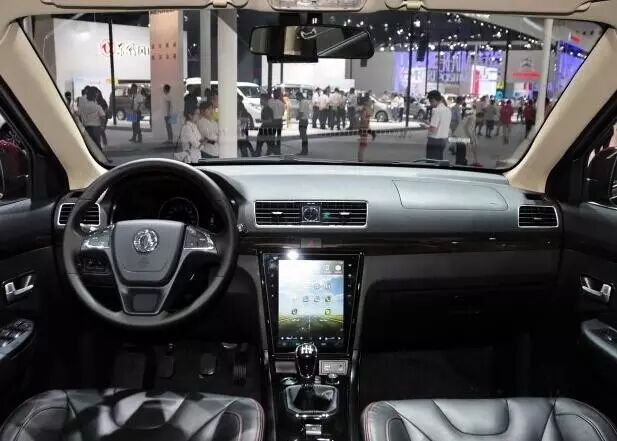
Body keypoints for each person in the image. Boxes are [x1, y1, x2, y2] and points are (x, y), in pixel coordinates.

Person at [425, 90, 451, 160]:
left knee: (432, 162)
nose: (431, 104)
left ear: (433, 100)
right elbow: (442, 124)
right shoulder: (448, 110)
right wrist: (430, 124)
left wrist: (425, 126)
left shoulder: (437, 110)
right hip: (443, 140)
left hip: (434, 140)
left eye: (430, 102)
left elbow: (433, 130)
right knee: (439, 161)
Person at [269, 88, 285, 155]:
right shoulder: (282, 103)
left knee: (272, 136)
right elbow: (283, 113)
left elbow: (269, 112)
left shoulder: (270, 102)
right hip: (279, 121)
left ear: (273, 94)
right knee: (278, 136)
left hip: (273, 121)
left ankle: (272, 149)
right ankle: (278, 151)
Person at [296, 91, 311, 155]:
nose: (296, 98)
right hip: (306, 120)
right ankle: (305, 150)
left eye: (297, 97)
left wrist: (297, 117)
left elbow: (301, 112)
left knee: (303, 136)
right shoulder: (306, 101)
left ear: (299, 96)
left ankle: (304, 150)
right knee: (304, 136)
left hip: (302, 120)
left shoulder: (302, 102)